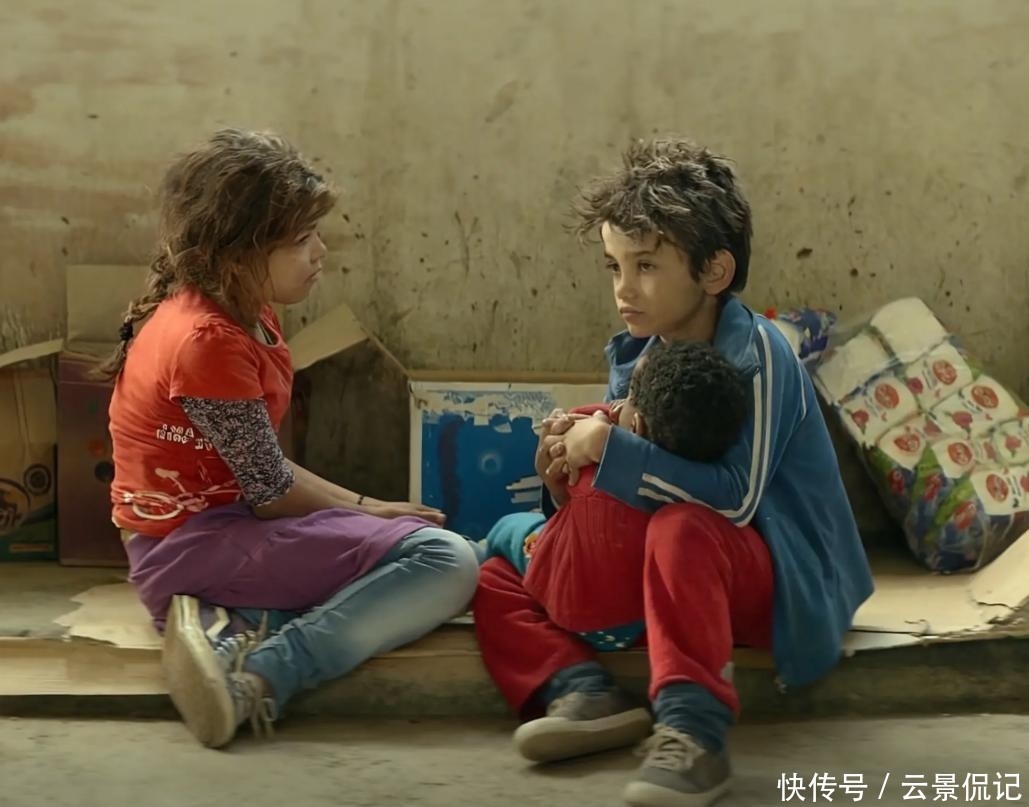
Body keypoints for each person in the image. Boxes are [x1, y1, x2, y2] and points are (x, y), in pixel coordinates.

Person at [472, 137, 875, 807]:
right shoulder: (641, 351)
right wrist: (561, 476)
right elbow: (624, 484)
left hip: (771, 579)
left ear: (713, 271)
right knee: (493, 572)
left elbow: (737, 499)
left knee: (681, 529)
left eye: (646, 266)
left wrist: (608, 448)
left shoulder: (760, 353)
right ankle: (580, 689)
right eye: (614, 266)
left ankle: (693, 734)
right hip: (672, 581)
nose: (623, 289)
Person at [103, 129, 478, 749]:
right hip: (188, 546)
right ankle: (261, 676)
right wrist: (371, 511)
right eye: (301, 240)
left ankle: (229, 623)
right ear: (237, 253)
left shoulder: (241, 307)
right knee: (445, 561)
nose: (320, 252)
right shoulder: (207, 340)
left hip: (217, 529)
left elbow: (265, 472)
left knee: (443, 550)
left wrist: (370, 513)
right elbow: (272, 491)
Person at [483, 341, 749, 657]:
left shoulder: (593, 464)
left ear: (634, 427)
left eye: (629, 395)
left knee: (505, 536)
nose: (616, 404)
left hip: (576, 611)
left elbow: (570, 463)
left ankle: (479, 550)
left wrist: (573, 432)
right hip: (640, 621)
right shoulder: (691, 481)